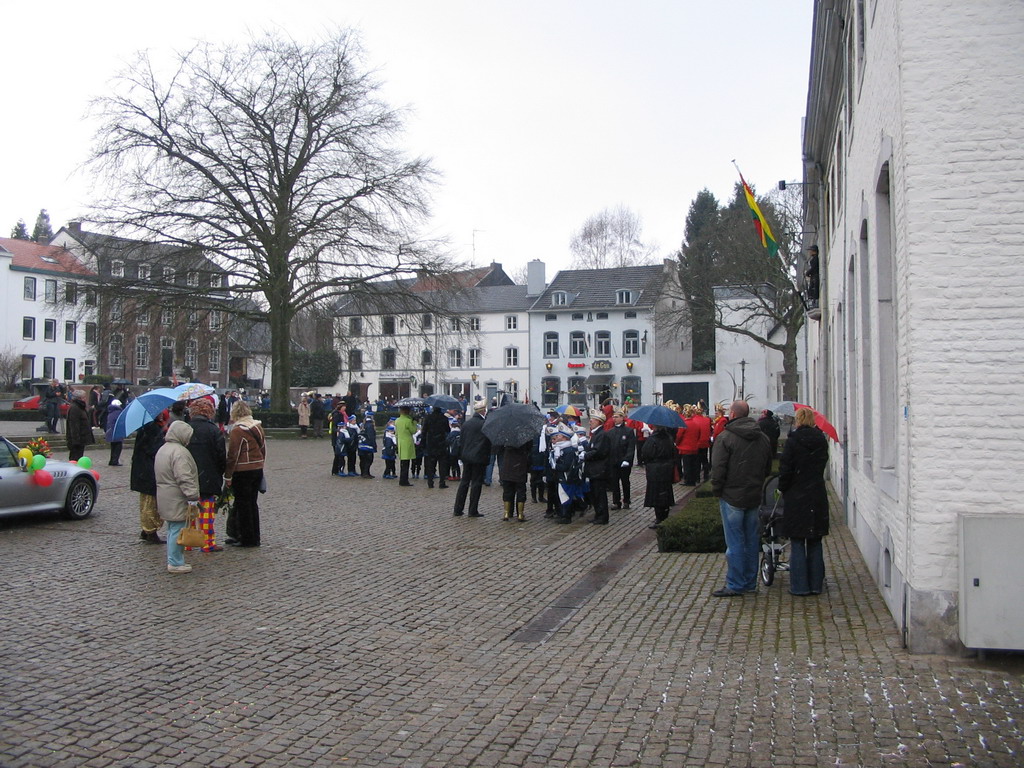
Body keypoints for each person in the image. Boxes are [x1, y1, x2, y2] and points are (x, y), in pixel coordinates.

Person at [710, 400, 773, 597]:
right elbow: (767, 467)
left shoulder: (725, 437)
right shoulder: (762, 438)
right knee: (751, 540)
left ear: (734, 414)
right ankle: (749, 582)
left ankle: (735, 584)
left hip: (732, 496)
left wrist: (717, 489)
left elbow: (718, 468)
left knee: (735, 542)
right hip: (753, 494)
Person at [778, 407, 830, 596]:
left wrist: (782, 487)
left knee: (798, 541)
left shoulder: (792, 442)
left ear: (798, 421)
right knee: (815, 540)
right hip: (816, 493)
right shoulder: (821, 441)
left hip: (797, 494)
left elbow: (786, 470)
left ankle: (799, 586)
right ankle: (816, 585)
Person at [155, 419, 201, 574]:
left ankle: (174, 559)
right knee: (177, 529)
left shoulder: (163, 449)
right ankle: (175, 562)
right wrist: (193, 495)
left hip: (165, 494)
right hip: (176, 496)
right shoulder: (179, 452)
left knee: (172, 528)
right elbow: (184, 477)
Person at [185, 398, 227, 553]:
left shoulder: (186, 428)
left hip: (188, 476)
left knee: (189, 509)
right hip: (208, 476)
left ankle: (188, 541)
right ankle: (207, 542)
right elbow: (221, 455)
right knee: (207, 511)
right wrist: (219, 471)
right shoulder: (213, 430)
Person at [224, 400, 266, 548]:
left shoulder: (238, 430)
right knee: (252, 504)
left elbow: (233, 455)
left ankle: (246, 538)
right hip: (257, 468)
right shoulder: (257, 426)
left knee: (243, 505)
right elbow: (263, 447)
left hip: (243, 470)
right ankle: (255, 536)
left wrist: (228, 476)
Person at [453, 401, 491, 517]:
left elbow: (462, 441)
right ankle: (472, 510)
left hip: (466, 456)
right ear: (483, 411)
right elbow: (488, 442)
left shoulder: (466, 424)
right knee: (476, 483)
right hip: (479, 457)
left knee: (464, 482)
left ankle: (458, 509)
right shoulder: (484, 424)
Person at [132, 416, 166, 544]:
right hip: (149, 471)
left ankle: (147, 530)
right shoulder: (151, 428)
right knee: (150, 502)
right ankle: (150, 531)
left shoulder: (147, 427)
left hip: (144, 470)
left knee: (148, 501)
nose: (162, 415)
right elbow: (154, 450)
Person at [641, 424, 677, 528]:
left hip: (655, 470)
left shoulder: (652, 439)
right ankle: (665, 515)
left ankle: (659, 518)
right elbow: (674, 453)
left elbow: (645, 453)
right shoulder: (669, 438)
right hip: (667, 469)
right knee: (665, 493)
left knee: (657, 495)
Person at [583, 411, 612, 524]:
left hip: (599, 469)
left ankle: (602, 516)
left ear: (599, 422)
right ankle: (598, 514)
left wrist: (585, 455)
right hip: (594, 469)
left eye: (593, 420)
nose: (590, 421)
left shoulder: (602, 435)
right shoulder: (596, 434)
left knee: (600, 494)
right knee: (595, 494)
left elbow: (598, 451)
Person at [608, 409, 636, 509]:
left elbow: (631, 447)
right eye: (613, 417)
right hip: (614, 461)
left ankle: (627, 501)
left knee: (625, 482)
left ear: (622, 418)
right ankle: (616, 502)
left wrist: (627, 459)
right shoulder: (610, 432)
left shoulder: (628, 431)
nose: (614, 419)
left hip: (624, 461)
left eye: (616, 417)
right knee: (614, 483)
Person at [500, 439, 532, 522]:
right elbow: (530, 448)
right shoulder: (526, 436)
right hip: (520, 465)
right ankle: (520, 514)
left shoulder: (506, 436)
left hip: (508, 465)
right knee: (521, 491)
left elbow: (500, 449)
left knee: (507, 491)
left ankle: (507, 512)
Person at [421, 406, 451, 489]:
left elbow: (424, 431)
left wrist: (422, 443)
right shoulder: (444, 418)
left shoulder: (428, 417)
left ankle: (430, 482)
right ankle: (442, 482)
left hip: (431, 443)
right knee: (442, 464)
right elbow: (448, 430)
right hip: (441, 443)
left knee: (431, 464)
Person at [677, 405, 701, 486]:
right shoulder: (696, 424)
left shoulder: (684, 424)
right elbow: (698, 435)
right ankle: (693, 480)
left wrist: (676, 443)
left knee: (687, 466)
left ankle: (688, 481)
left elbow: (679, 436)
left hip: (685, 448)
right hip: (694, 447)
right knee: (693, 465)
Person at [65, 392, 93, 462]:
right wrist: (76, 440)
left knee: (79, 457)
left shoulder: (80, 407)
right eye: (84, 397)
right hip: (76, 440)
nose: (85, 399)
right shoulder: (75, 408)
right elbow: (74, 426)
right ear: (80, 398)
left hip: (81, 438)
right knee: (75, 459)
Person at [395, 405, 417, 486]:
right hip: (407, 442)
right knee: (406, 464)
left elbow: (396, 433)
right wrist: (414, 422)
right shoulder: (408, 421)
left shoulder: (397, 420)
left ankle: (402, 479)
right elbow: (413, 430)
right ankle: (404, 480)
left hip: (400, 442)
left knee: (403, 463)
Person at [104, 399, 124, 466]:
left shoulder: (110, 412)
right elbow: (120, 423)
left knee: (113, 447)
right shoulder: (118, 412)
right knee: (118, 447)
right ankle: (115, 461)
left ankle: (112, 460)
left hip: (110, 432)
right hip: (116, 432)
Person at [358, 413, 377, 478]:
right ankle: (366, 473)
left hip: (361, 444)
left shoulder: (362, 425)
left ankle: (363, 472)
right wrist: (374, 445)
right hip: (368, 445)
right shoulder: (370, 425)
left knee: (362, 459)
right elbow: (371, 436)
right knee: (369, 459)